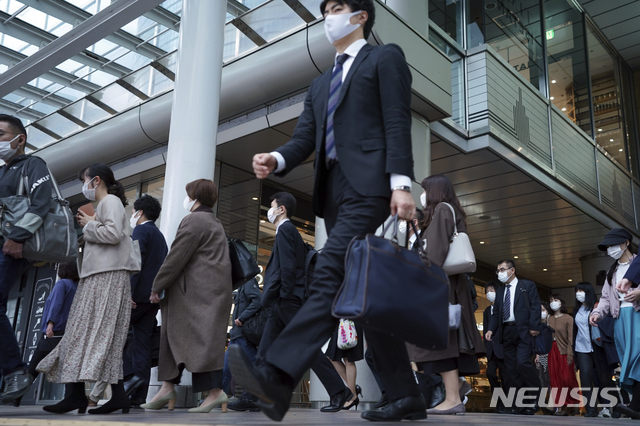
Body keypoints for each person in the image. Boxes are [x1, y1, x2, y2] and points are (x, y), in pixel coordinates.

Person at [230, 0, 419, 421]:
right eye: (325, 10)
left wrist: (401, 184)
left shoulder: (384, 58)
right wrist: (276, 159)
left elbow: (396, 120)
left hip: (371, 186)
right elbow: (303, 141)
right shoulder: (320, 85)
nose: (327, 17)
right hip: (334, 193)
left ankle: (277, 376)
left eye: (335, 7)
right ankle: (406, 394)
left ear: (360, 15)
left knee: (330, 271)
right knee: (364, 295)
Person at [229, 192, 351, 413]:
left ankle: (340, 392)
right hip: (282, 303)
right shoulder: (286, 231)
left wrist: (281, 295)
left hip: (286, 301)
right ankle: (251, 397)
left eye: (272, 205)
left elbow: (287, 267)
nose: (270, 209)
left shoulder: (285, 230)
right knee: (265, 352)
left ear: (281, 209)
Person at [37, 163, 139, 415]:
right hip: (102, 276)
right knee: (98, 336)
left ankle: (77, 396)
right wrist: (92, 223)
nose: (84, 186)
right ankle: (114, 397)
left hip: (105, 276)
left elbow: (113, 234)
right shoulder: (109, 204)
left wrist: (89, 225)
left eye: (85, 180)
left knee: (88, 334)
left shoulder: (109, 201)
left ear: (96, 181)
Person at [142, 179, 232, 413]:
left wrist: (156, 285)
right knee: (188, 338)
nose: (187, 199)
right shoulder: (214, 221)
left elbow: (176, 257)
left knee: (196, 341)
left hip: (195, 295)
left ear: (195, 197)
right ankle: (168, 388)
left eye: (188, 194)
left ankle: (214, 393)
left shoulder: (194, 220)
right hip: (208, 293)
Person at [407, 174, 484, 416]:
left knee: (441, 343)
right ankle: (456, 390)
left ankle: (452, 398)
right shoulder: (449, 210)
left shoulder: (441, 209)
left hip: (440, 287)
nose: (422, 194)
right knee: (443, 342)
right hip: (448, 286)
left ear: (434, 190)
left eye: (424, 189)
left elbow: (436, 252)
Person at [0, 115, 53, 405]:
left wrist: (18, 236)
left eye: (1, 133)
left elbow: (41, 203)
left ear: (20, 139)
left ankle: (15, 372)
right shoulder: (2, 172)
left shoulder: (33, 165)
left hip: (11, 247)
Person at [122, 195, 168, 407]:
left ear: (139, 212)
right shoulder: (159, 236)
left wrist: (128, 293)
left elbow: (135, 264)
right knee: (142, 344)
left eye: (133, 211)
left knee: (116, 337)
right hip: (153, 298)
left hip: (137, 296)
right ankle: (139, 394)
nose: (132, 215)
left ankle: (128, 380)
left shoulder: (141, 230)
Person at [590, 228, 640, 419]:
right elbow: (605, 298)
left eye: (614, 244)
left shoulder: (638, 263)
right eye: (608, 246)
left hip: (636, 316)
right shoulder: (612, 271)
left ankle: (635, 405)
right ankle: (636, 404)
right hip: (619, 320)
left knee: (637, 359)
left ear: (627, 242)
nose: (610, 249)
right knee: (628, 362)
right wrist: (596, 313)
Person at [485, 259, 541, 415]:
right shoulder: (501, 291)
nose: (500, 273)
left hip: (523, 331)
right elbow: (496, 314)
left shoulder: (526, 286)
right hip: (506, 332)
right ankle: (520, 403)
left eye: (502, 269)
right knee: (512, 370)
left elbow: (535, 305)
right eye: (498, 271)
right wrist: (490, 330)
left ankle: (535, 398)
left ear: (512, 270)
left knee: (523, 363)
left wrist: (534, 326)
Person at [21, 262, 79, 405]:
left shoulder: (62, 284)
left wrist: (50, 323)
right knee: (68, 366)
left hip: (54, 331)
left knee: (34, 365)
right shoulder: (77, 286)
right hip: (69, 331)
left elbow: (56, 304)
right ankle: (71, 398)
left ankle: (17, 395)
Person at [223, 277, 262, 406]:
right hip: (237, 335)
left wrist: (242, 318)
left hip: (243, 334)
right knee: (225, 369)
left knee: (254, 366)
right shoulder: (242, 285)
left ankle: (254, 399)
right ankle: (217, 397)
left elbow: (257, 301)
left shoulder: (248, 282)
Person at [547, 294, 579, 415]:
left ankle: (574, 402)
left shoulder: (568, 318)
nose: (553, 302)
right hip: (552, 351)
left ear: (561, 303)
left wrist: (570, 354)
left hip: (565, 351)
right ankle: (562, 407)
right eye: (551, 300)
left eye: (556, 300)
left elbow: (571, 338)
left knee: (567, 379)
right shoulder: (549, 318)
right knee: (555, 380)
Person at [572, 282, 600, 417]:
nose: (578, 293)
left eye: (581, 290)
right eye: (577, 290)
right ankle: (591, 409)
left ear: (588, 292)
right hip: (581, 348)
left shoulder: (596, 307)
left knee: (602, 378)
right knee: (585, 378)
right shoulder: (576, 310)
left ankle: (612, 407)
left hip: (597, 346)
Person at [483, 282, 510, 414]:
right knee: (490, 373)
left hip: (503, 349)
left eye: (491, 290)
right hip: (491, 350)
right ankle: (499, 402)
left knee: (505, 378)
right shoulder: (487, 311)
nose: (489, 293)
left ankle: (506, 405)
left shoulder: (504, 308)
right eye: (487, 291)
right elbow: (486, 330)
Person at [325, 320, 364, 410]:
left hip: (351, 320)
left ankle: (352, 397)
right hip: (340, 322)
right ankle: (353, 390)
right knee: (331, 357)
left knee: (348, 359)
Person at [536, 302, 552, 415]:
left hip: (552, 356)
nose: (542, 312)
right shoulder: (537, 325)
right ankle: (543, 406)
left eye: (544, 310)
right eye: (540, 310)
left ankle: (553, 405)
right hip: (541, 356)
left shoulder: (552, 324)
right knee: (541, 381)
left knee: (551, 381)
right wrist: (537, 355)